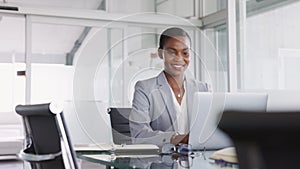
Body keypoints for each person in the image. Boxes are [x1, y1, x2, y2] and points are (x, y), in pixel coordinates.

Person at [129, 27, 209, 147]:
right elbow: (139, 135)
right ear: (161, 54)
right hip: (161, 162)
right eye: (172, 52)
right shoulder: (144, 88)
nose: (179, 58)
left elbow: (211, 130)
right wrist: (175, 138)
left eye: (185, 53)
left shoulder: (203, 89)